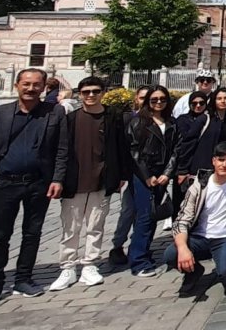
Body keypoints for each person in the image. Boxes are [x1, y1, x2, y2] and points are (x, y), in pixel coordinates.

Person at [0, 68, 68, 307]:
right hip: (5, 182)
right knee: (0, 235)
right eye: (26, 83)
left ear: (44, 87)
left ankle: (24, 278)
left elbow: (62, 149)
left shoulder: (54, 112)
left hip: (38, 181)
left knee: (32, 233)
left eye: (36, 84)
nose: (31, 88)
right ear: (17, 85)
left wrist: (57, 179)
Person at [49, 77, 130, 292]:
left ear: (103, 92)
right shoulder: (71, 119)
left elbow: (121, 146)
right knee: (71, 227)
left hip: (102, 180)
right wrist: (58, 178)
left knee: (96, 225)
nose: (91, 95)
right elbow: (61, 149)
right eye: (86, 92)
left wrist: (121, 174)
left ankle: (89, 264)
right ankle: (67, 267)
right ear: (79, 94)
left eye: (95, 91)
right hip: (74, 180)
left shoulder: (112, 117)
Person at [166, 141, 226, 296]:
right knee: (171, 254)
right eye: (221, 160)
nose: (225, 164)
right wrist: (183, 248)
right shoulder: (199, 186)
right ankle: (193, 271)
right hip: (200, 237)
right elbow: (181, 220)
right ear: (213, 161)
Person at [126, 86, 177, 278]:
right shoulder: (138, 121)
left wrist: (167, 173)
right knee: (145, 217)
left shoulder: (170, 122)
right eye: (154, 99)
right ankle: (139, 261)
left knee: (155, 214)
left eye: (162, 99)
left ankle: (143, 253)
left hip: (162, 174)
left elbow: (175, 150)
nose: (158, 103)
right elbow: (134, 152)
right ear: (147, 101)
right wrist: (146, 175)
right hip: (143, 175)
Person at [108, 86, 151, 266]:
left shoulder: (156, 120)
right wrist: (120, 174)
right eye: (142, 98)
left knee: (146, 212)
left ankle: (138, 245)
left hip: (150, 173)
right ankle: (117, 245)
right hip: (130, 172)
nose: (145, 102)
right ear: (136, 99)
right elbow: (120, 148)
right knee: (128, 210)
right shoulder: (127, 118)